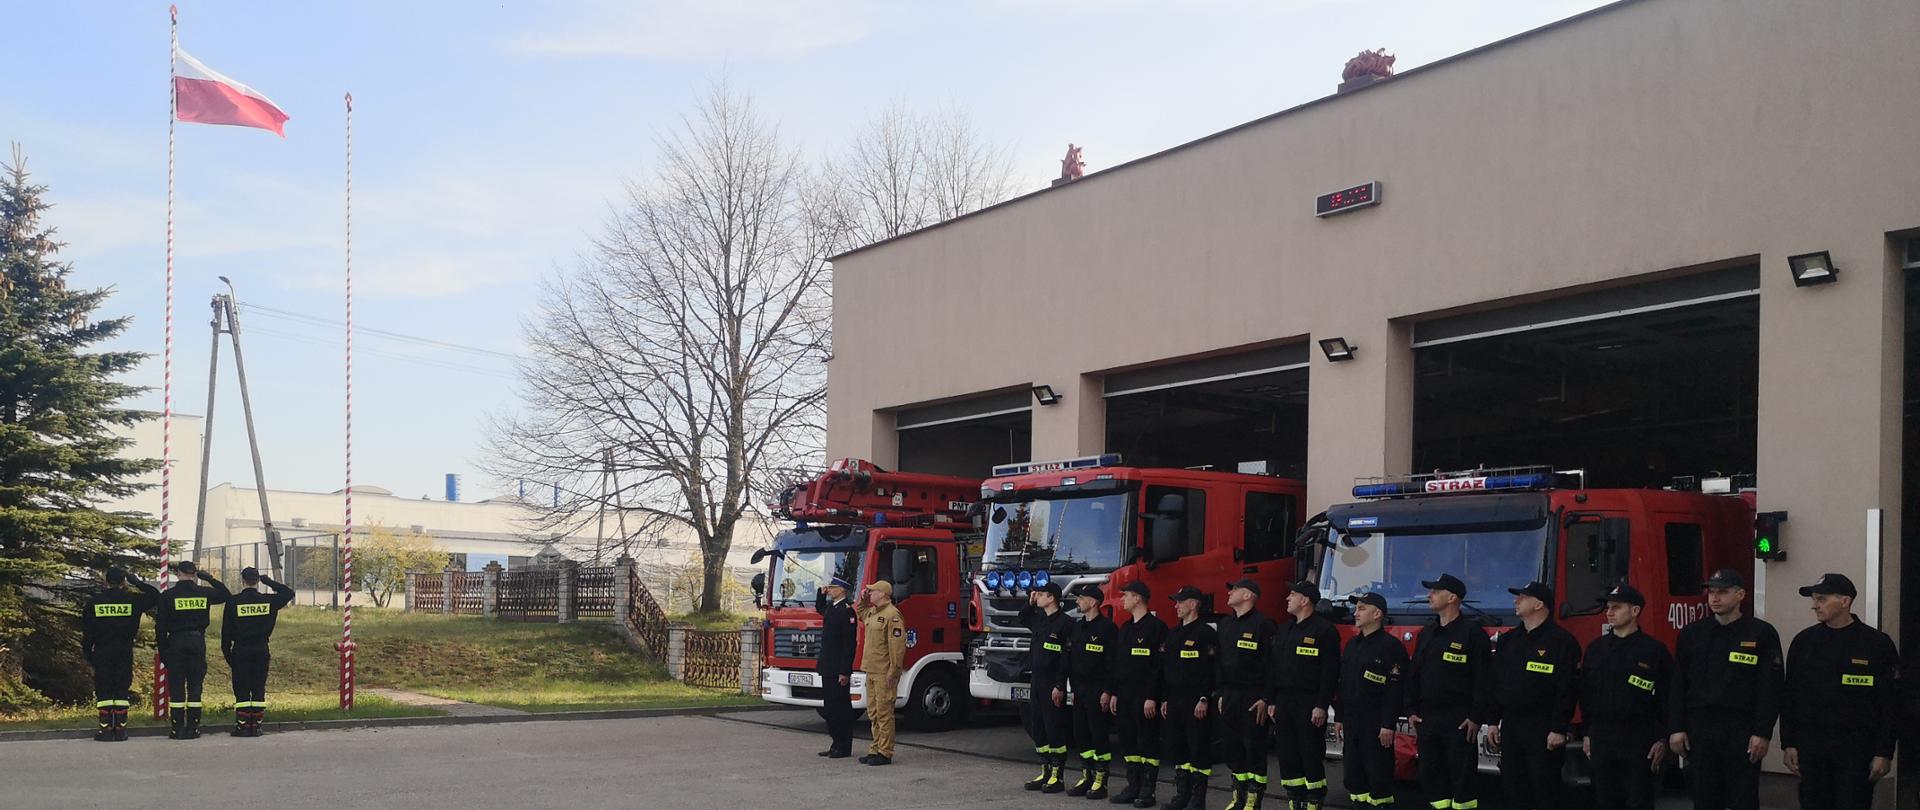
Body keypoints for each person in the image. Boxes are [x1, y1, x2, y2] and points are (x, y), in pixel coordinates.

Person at [1780, 573, 1900, 810]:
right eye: (1814, 599)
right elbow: (1790, 696)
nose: (1815, 605)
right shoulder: (1804, 642)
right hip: (1812, 746)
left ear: (1845, 601)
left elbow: (1890, 703)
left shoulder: (1876, 644)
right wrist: (1789, 743)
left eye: (1822, 599)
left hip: (1856, 748)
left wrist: (1883, 751)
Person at [1667, 569, 1782, 810]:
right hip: (1700, 727)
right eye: (1711, 592)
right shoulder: (1692, 634)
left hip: (1741, 728)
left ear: (1740, 595)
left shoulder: (1761, 633)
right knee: (1704, 796)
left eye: (1723, 592)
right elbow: (1677, 684)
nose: (1714, 598)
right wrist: (1676, 728)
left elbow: (1769, 688)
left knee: (1743, 798)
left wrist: (1763, 732)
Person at [1487, 580, 1581, 810]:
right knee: (1513, 786)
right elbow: (1497, 683)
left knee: (1544, 786)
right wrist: (1492, 721)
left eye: (1522, 597)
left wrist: (1559, 728)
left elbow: (1567, 688)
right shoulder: (1508, 641)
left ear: (1539, 604)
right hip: (1511, 724)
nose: (1515, 601)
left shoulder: (1561, 642)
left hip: (1543, 725)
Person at [1578, 584, 1670, 810]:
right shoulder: (1596, 649)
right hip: (1602, 736)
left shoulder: (1654, 650)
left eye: (1616, 607)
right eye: (1608, 607)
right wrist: (1587, 733)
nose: (1609, 612)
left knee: (1638, 800)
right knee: (1605, 800)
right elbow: (1586, 694)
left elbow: (1668, 697)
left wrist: (1662, 738)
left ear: (1635, 610)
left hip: (1639, 737)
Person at [1403, 573, 1490, 810]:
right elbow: (1414, 674)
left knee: (1462, 780)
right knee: (1432, 777)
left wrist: (1476, 716)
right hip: (1427, 718)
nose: (1429, 595)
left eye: (1435, 591)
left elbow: (1483, 679)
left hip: (1459, 719)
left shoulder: (1473, 634)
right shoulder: (1427, 633)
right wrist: (1410, 709)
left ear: (1452, 598)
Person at [1268, 580, 1338, 810]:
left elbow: (1329, 673)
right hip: (1284, 700)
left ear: (1305, 600)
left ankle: (1314, 799)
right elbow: (1275, 667)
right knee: (1287, 752)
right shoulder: (1285, 628)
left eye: (1292, 594)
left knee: (1309, 751)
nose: (1287, 598)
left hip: (1309, 701)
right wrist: (1272, 700)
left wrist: (1321, 705)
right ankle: (1294, 798)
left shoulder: (1324, 630)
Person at [1213, 577, 1281, 810]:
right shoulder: (1225, 625)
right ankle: (1238, 797)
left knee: (1254, 747)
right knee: (1232, 747)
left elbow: (1272, 666)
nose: (1229, 592)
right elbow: (1220, 663)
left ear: (1248, 595)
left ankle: (1254, 798)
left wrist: (1266, 697)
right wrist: (1220, 693)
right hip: (1230, 694)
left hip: (1253, 696)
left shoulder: (1264, 625)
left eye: (1235, 589)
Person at [1333, 593, 1404, 810]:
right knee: (1354, 776)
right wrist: (1339, 717)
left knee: (1378, 777)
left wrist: (1387, 724)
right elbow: (1343, 684)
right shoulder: (1352, 645)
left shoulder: (1391, 647)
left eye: (1362, 608)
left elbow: (1395, 690)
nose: (1356, 613)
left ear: (1377, 614)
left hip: (1375, 725)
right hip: (1352, 722)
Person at [1103, 580, 1167, 808]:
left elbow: (1158, 667)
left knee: (1147, 739)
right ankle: (1133, 786)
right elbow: (1118, 664)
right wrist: (1114, 692)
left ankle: (1148, 790)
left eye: (1126, 595)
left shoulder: (1156, 627)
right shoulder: (1126, 628)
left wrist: (1152, 696)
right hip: (1125, 693)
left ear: (1138, 598)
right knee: (1128, 739)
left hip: (1145, 694)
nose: (1122, 599)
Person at [81, 566, 160, 741]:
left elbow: (87, 632)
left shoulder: (95, 602)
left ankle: (106, 729)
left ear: (106, 581)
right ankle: (121, 730)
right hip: (124, 650)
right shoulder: (133, 600)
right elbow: (155, 596)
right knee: (121, 689)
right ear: (124, 582)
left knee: (104, 690)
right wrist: (137, 582)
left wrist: (87, 654)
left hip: (102, 651)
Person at [152, 561, 230, 740]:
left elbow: (161, 627)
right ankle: (193, 728)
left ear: (178, 573)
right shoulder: (203, 593)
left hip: (176, 642)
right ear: (194, 574)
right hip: (197, 641)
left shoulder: (168, 596)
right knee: (195, 686)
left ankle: (177, 729)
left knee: (177, 686)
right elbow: (226, 595)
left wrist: (164, 651)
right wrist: (209, 578)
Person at [1159, 585, 1218, 810]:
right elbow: (1166, 669)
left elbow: (1211, 670)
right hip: (1174, 700)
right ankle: (1182, 794)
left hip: (1196, 701)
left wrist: (1204, 698)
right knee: (1177, 747)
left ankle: (1197, 798)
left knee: (1198, 748)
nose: (1176, 606)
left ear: (1193, 604)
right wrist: (1164, 698)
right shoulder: (1173, 634)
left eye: (1180, 602)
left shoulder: (1205, 633)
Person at [221, 567, 295, 737]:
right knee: (258, 686)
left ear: (242, 580)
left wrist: (228, 655)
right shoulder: (268, 601)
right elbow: (288, 593)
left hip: (240, 649)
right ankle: (257, 726)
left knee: (241, 688)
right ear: (257, 581)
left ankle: (243, 726)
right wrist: (268, 581)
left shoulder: (233, 602)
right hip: (261, 648)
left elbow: (226, 632)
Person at [1067, 582, 1121, 798]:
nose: (1078, 602)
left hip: (1098, 690)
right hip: (1079, 690)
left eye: (1081, 598)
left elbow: (1112, 663)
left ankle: (1101, 779)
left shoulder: (1107, 628)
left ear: (1093, 602)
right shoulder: (1078, 627)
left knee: (1099, 735)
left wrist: (1108, 691)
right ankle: (1087, 775)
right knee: (1081, 734)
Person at [1021, 580, 1075, 791]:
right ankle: (1045, 771)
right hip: (1037, 680)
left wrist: (1060, 685)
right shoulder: (1040, 620)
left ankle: (1057, 775)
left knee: (1054, 727)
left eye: (1041, 594)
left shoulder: (1066, 623)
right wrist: (1031, 602)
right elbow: (1023, 617)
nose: (1038, 596)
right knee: (1039, 726)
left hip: (1052, 681)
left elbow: (1065, 658)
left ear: (1052, 598)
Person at [855, 579, 906, 766]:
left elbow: (897, 647)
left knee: (884, 713)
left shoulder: (892, 615)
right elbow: (860, 612)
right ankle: (875, 748)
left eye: (872, 591)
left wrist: (894, 671)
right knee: (873, 712)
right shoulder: (873, 612)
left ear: (883, 594)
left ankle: (885, 751)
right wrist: (862, 600)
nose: (870, 594)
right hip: (870, 670)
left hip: (884, 672)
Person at [814, 575, 858, 758]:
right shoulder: (832, 608)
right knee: (830, 708)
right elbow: (819, 608)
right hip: (827, 666)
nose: (829, 589)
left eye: (832, 587)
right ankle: (835, 743)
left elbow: (849, 644)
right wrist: (820, 593)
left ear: (842, 590)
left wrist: (844, 671)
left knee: (841, 709)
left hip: (838, 669)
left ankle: (844, 745)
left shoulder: (847, 611)